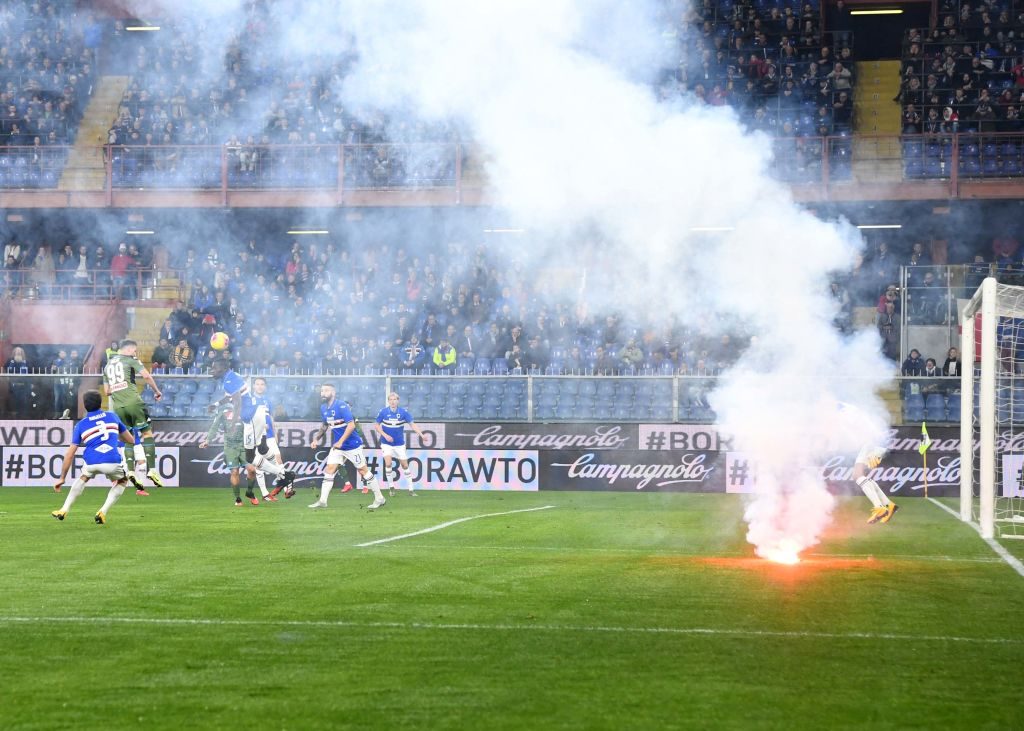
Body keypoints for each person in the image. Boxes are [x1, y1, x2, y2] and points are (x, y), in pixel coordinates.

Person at [51, 389, 136, 525]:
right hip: (111, 460)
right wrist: (116, 434)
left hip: (91, 461)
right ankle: (102, 512)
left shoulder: (81, 425)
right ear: (101, 403)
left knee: (84, 477)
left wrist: (62, 478)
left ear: (85, 405)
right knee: (123, 480)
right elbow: (130, 440)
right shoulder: (113, 417)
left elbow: (70, 454)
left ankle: (64, 509)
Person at [102, 339, 165, 495]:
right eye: (134, 350)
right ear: (129, 349)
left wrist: (119, 387)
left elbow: (107, 392)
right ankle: (152, 470)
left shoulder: (107, 366)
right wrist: (157, 391)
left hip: (118, 407)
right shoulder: (130, 359)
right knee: (147, 433)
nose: (135, 353)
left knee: (128, 439)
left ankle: (130, 470)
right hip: (134, 403)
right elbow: (146, 376)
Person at [308, 382, 385, 510]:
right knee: (330, 469)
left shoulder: (341, 405)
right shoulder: (323, 408)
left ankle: (380, 498)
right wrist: (316, 439)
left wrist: (340, 441)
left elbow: (351, 425)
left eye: (326, 390)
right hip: (338, 447)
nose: (323, 393)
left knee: (363, 471)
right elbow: (325, 425)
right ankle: (322, 501)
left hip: (352, 445)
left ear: (333, 392)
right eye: (322, 391)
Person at [839, 402, 900, 525]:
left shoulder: (845, 411)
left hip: (873, 443)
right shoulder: (850, 409)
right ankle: (888, 505)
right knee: (859, 476)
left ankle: (880, 507)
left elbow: (858, 429)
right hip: (876, 442)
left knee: (858, 475)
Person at [199, 401, 260, 506]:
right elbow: (214, 427)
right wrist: (208, 440)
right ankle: (238, 498)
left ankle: (249, 492)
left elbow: (254, 426)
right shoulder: (222, 412)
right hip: (230, 447)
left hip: (244, 446)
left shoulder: (244, 411)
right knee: (234, 472)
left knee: (252, 470)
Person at [374, 392, 426, 496]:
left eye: (394, 399)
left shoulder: (403, 412)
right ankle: (391, 487)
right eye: (390, 400)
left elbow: (412, 424)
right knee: (388, 464)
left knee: (405, 465)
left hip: (399, 444)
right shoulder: (383, 412)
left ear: (398, 401)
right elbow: (376, 425)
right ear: (388, 401)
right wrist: (385, 435)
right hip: (386, 443)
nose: (392, 402)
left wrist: (421, 435)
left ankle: (411, 490)